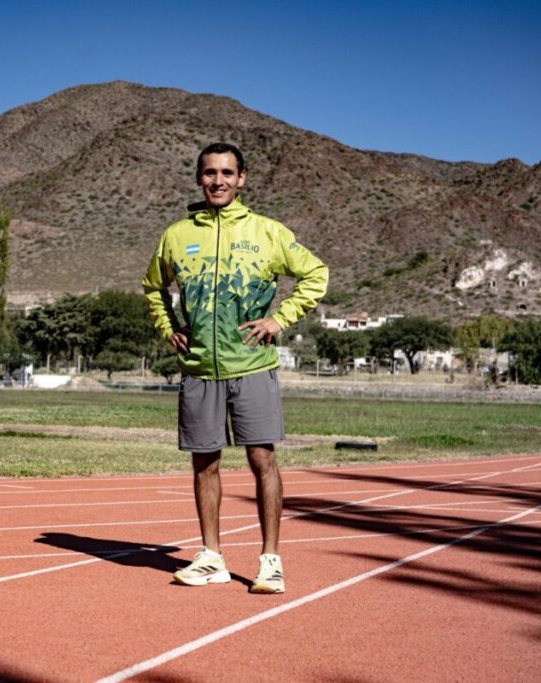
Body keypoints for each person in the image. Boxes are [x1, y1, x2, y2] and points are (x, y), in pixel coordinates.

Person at [142, 143, 328, 594]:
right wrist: (168, 328)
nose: (218, 181)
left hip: (252, 364)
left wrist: (278, 320)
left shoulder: (267, 232)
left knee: (262, 459)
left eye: (227, 173)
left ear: (242, 178)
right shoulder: (176, 235)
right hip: (200, 368)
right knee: (204, 463)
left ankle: (270, 561)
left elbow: (315, 275)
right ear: (199, 178)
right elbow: (153, 288)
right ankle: (211, 558)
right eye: (210, 173)